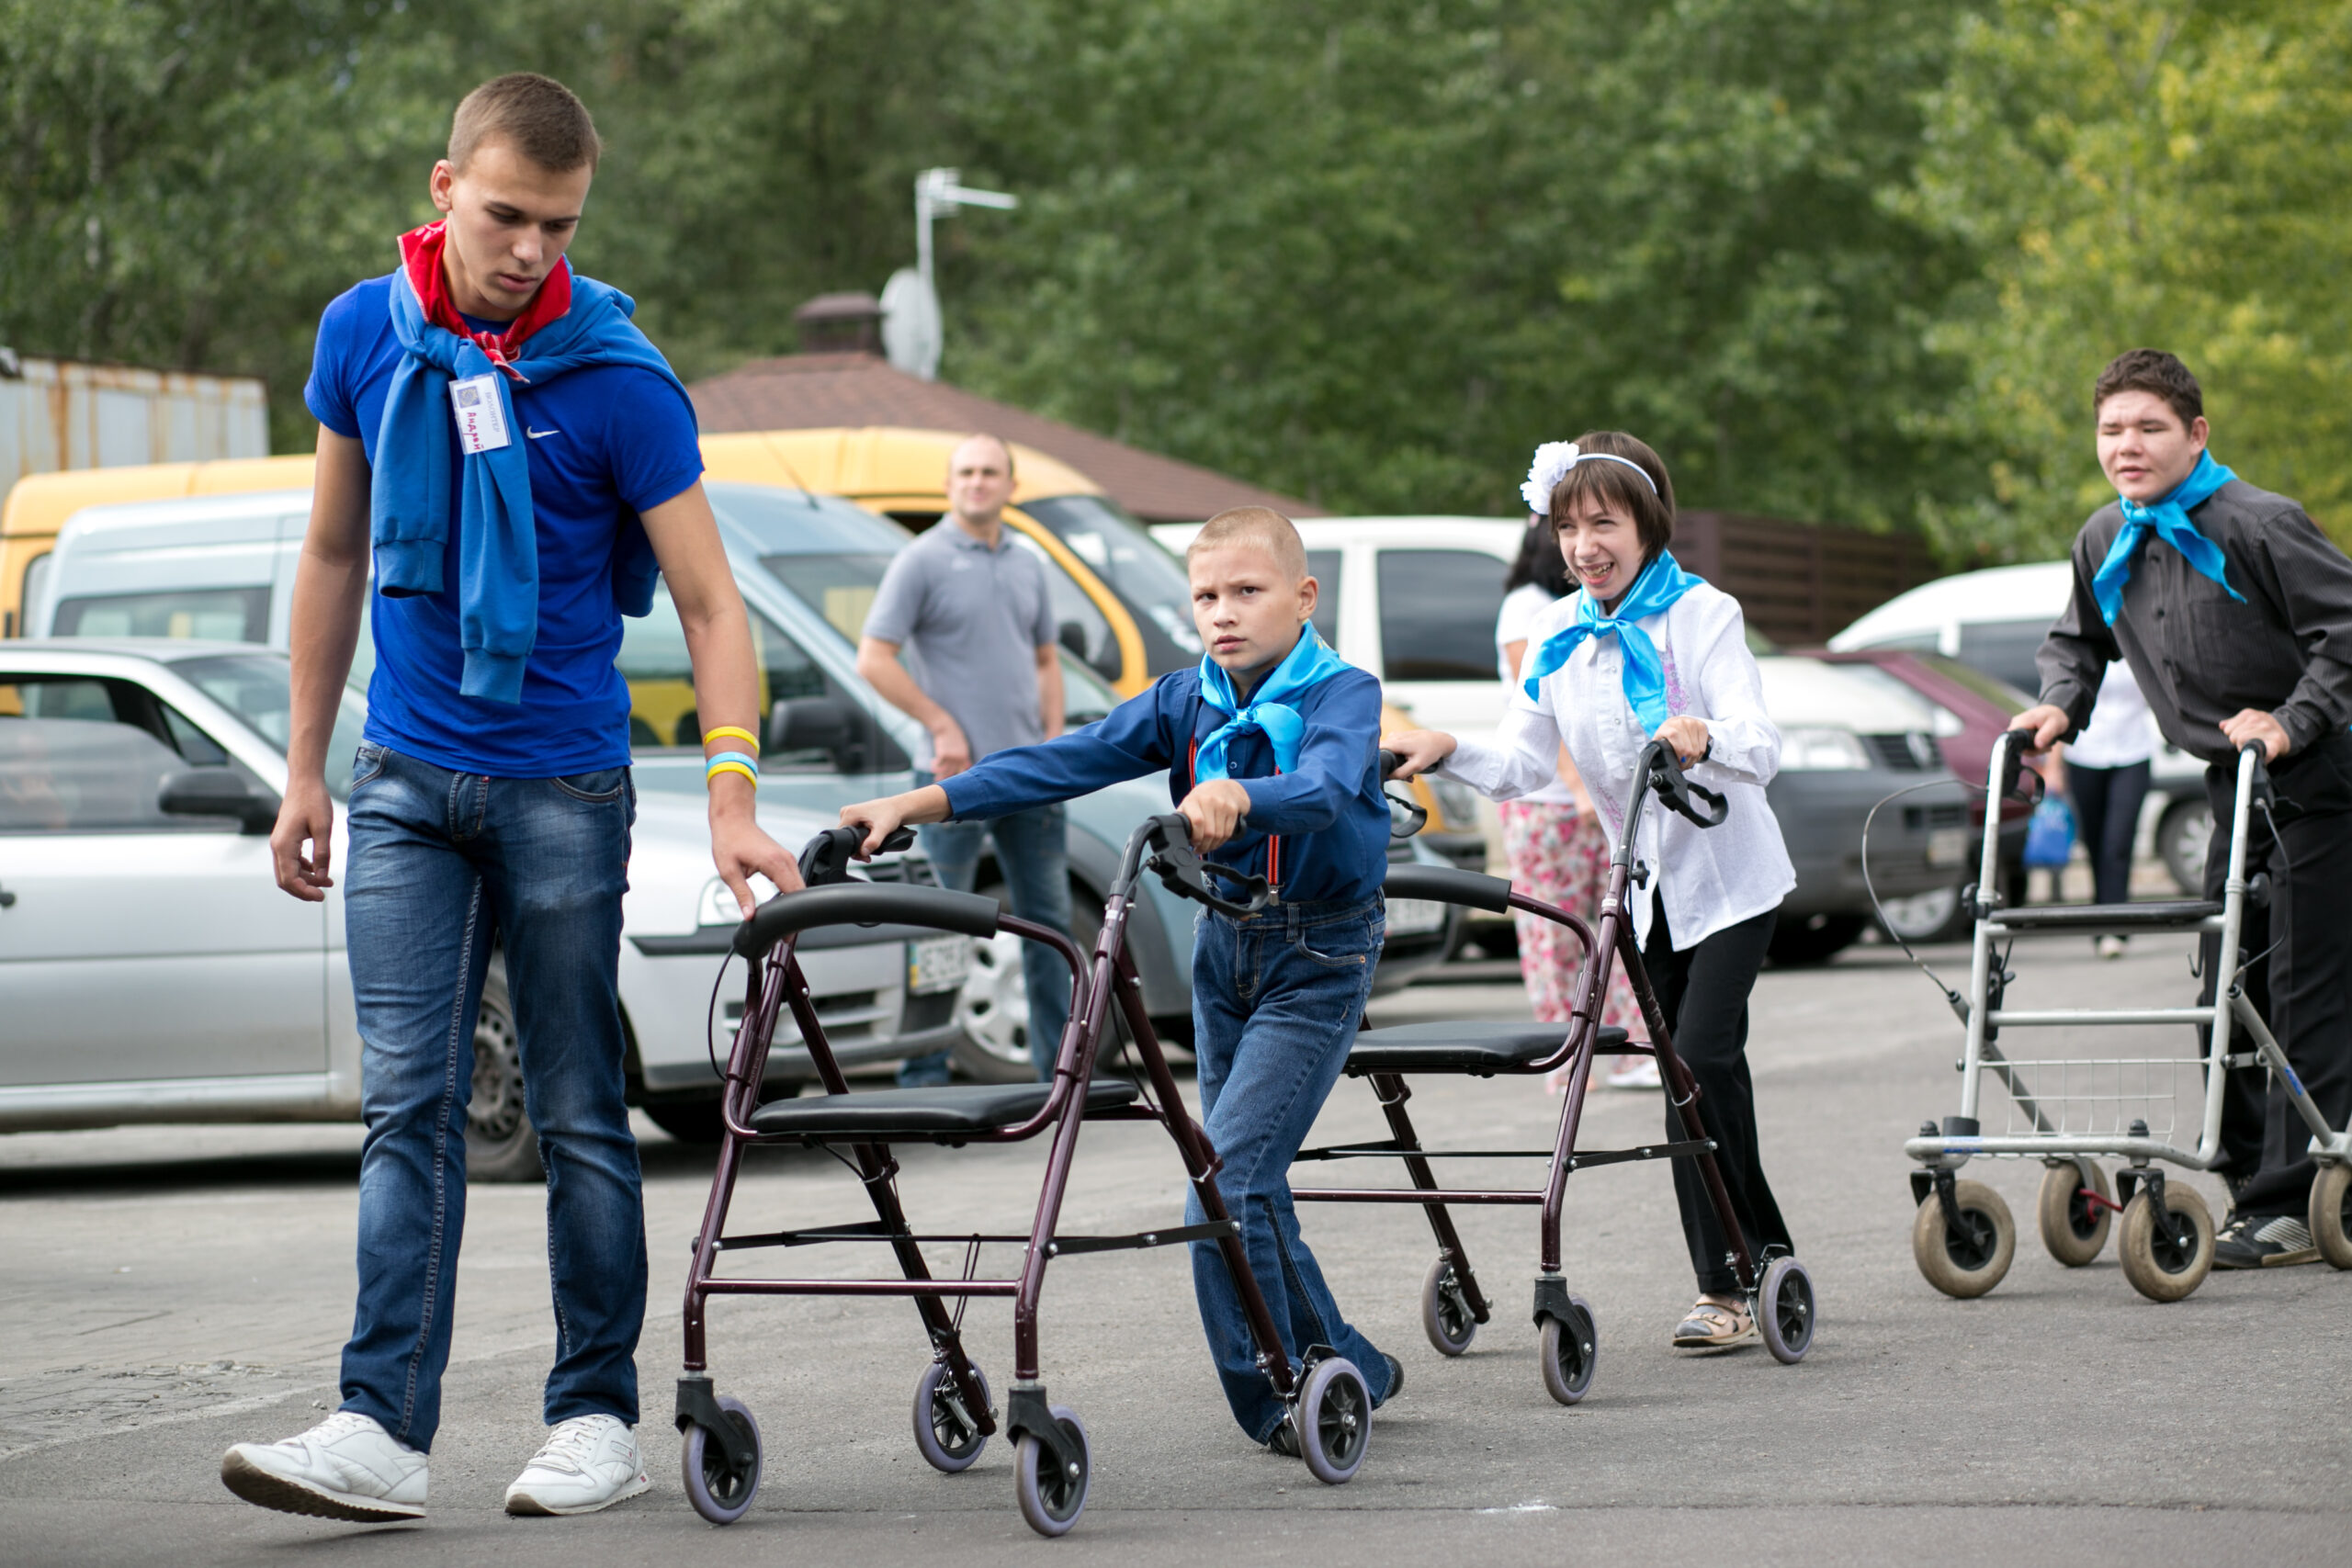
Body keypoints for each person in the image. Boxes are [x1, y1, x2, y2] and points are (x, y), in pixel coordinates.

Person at [220, 74, 800, 1523]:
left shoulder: (618, 376)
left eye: (561, 223)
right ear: (442, 189)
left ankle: (592, 1414)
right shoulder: (365, 332)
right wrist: (303, 765)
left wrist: (732, 797)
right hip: (403, 778)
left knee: (578, 1107)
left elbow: (714, 604)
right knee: (408, 1105)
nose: (533, 246)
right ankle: (380, 1429)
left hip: (563, 785)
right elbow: (335, 555)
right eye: (506, 214)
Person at [838, 506, 1403, 1450]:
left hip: (1319, 952)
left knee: (1221, 1181)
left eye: (1247, 591)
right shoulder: (1186, 699)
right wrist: (919, 801)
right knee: (1246, 1183)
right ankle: (1351, 1362)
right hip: (1224, 952)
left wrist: (1239, 793)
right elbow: (1064, 760)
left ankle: (1275, 1393)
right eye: (1205, 596)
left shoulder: (1339, 693)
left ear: (1304, 597)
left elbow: (1328, 788)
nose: (1222, 613)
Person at [1389, 432, 1798, 1349]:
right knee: (1691, 1081)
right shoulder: (1557, 634)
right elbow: (1525, 761)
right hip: (1643, 889)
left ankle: (1725, 1287)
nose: (1584, 545)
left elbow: (1760, 744)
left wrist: (1703, 736)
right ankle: (1762, 1253)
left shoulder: (1702, 614)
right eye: (1568, 527)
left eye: (1603, 523)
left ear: (1648, 523)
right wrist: (1446, 749)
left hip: (1730, 879)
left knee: (1697, 1060)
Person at [2016, 348, 2352, 1269]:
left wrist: (2291, 720)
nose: (2126, 445)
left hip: (2323, 777)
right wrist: (2059, 703)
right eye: (2110, 429)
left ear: (2195, 434)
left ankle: (2292, 1202)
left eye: (2148, 427)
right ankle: (2251, 1181)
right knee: (2225, 983)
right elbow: (2076, 643)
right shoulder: (2103, 537)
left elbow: (2345, 632)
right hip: (2231, 787)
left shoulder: (2261, 524)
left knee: (2303, 990)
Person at [855, 434, 1070, 1084]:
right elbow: (873, 658)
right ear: (950, 485)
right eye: (967, 472)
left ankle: (1061, 1074)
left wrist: (1058, 745)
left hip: (1031, 778)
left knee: (1050, 925)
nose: (978, 482)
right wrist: (940, 722)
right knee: (941, 928)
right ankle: (923, 1075)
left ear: (1010, 486)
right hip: (949, 783)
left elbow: (1045, 661)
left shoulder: (1030, 563)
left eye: (990, 472)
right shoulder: (920, 560)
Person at [1493, 516, 1656, 1090]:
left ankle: (1632, 1051)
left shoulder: (1593, 605)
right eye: (1566, 528)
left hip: (1592, 801)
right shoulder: (1526, 609)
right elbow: (1540, 704)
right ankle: (1563, 1060)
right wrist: (1580, 788)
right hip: (1547, 805)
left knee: (1616, 927)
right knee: (1557, 933)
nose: (1584, 546)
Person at [2063, 659, 2158, 955]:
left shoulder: (2138, 640)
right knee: (2094, 843)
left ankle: (2116, 925)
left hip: (2133, 752)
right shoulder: (2082, 646)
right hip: (2085, 754)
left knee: (2118, 841)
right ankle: (2101, 917)